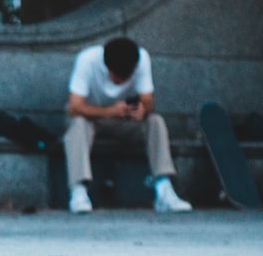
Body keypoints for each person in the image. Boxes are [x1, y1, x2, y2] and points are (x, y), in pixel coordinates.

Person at [63, 36, 192, 214]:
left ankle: (164, 189)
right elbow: (74, 107)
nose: (123, 82)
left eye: (127, 77)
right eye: (118, 77)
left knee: (155, 121)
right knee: (77, 124)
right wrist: (109, 111)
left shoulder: (142, 59)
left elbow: (148, 101)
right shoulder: (87, 60)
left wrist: (141, 110)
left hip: (123, 121)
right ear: (107, 67)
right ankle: (78, 191)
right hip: (91, 118)